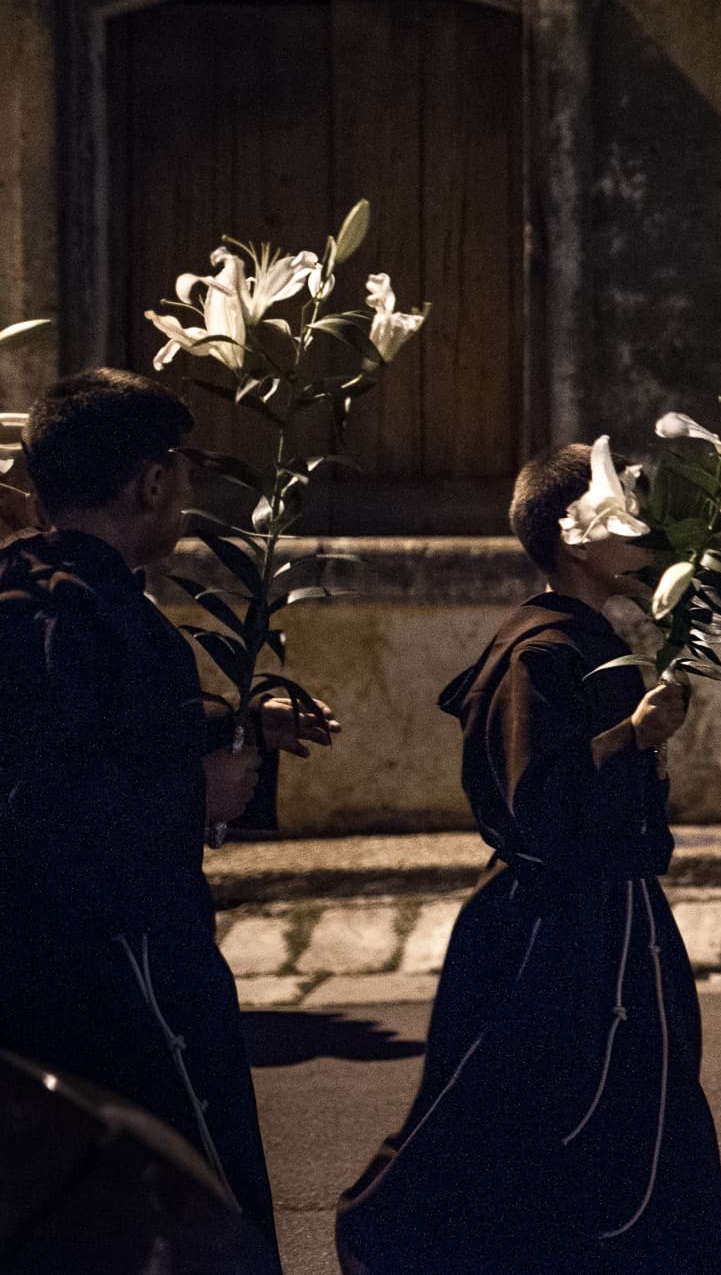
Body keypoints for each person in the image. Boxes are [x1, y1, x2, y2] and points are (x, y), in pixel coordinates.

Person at [335, 444, 721, 1275]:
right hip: (557, 923)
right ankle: (393, 1238)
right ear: (575, 537)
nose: (642, 523)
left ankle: (669, 1255)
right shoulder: (539, 651)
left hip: (613, 913)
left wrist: (642, 755)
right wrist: (630, 737)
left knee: (650, 1087)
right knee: (512, 1101)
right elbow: (535, 794)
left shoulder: (586, 637)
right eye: (624, 507)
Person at [0, 368, 338, 1273]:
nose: (188, 492)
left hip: (48, 975)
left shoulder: (33, 591)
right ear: (153, 482)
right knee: (195, 1197)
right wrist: (204, 792)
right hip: (127, 975)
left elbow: (87, 735)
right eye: (183, 472)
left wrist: (233, 726)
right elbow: (48, 804)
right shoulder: (93, 614)